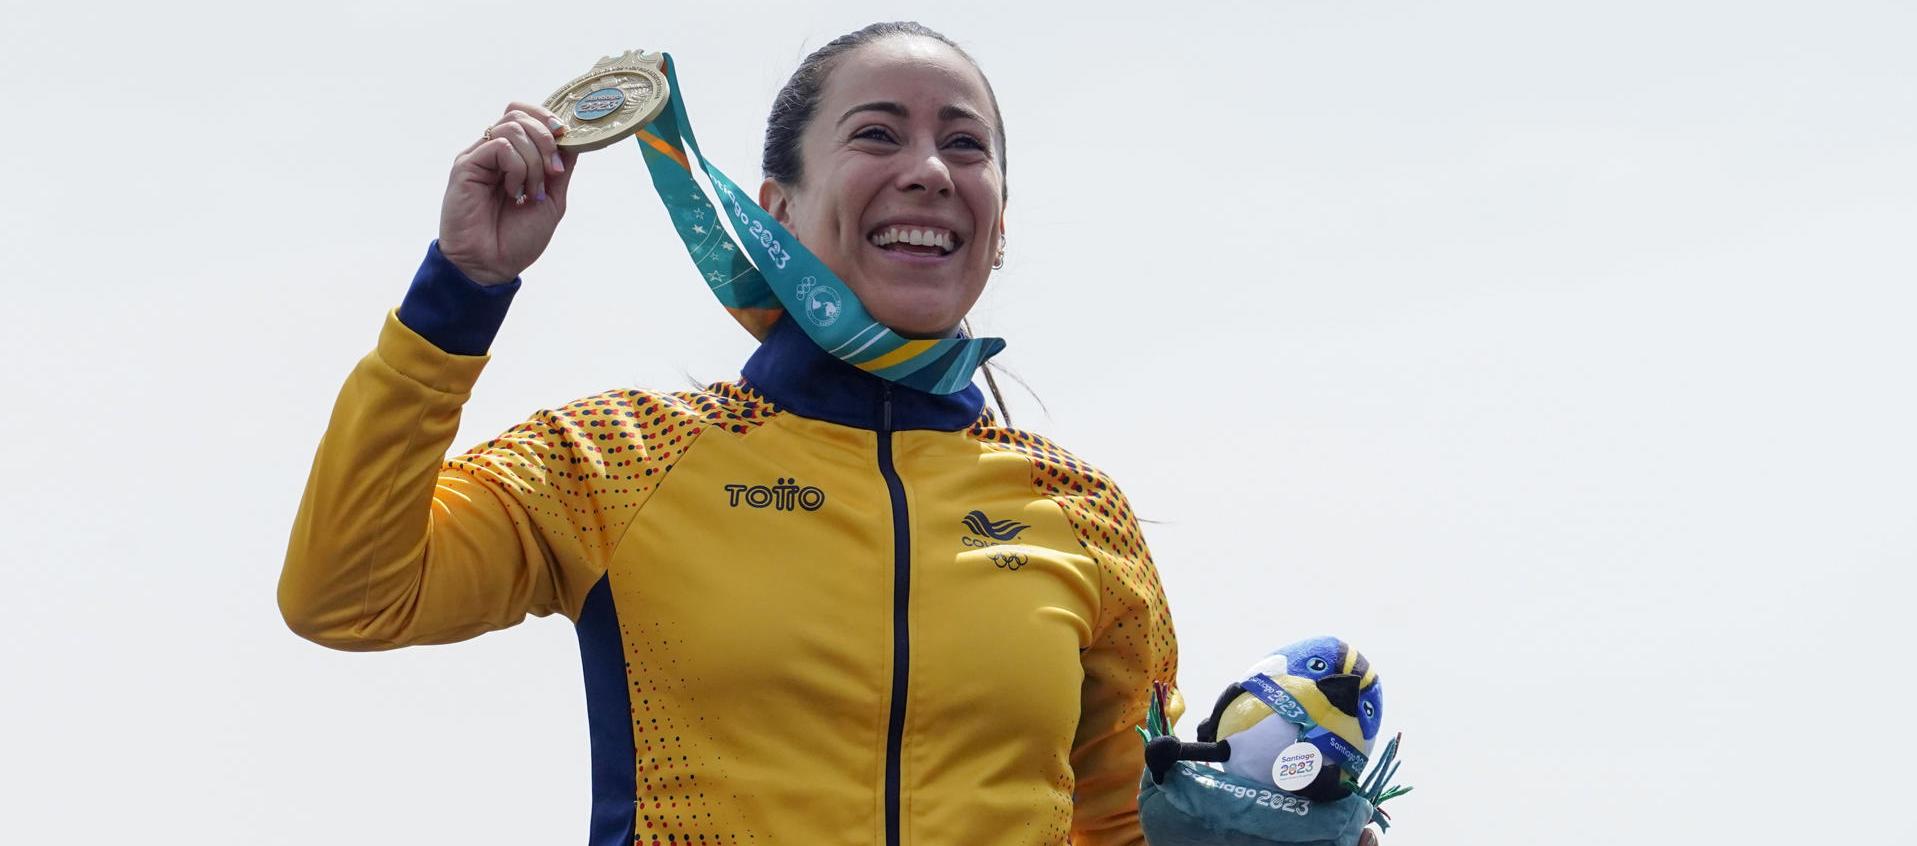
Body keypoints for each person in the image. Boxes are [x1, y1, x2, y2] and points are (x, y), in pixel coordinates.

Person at [280, 22, 1180, 846]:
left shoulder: (1081, 513)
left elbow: (1127, 825)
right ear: (775, 209)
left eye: (964, 144)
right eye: (876, 134)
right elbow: (348, 594)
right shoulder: (613, 460)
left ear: (999, 225)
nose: (929, 171)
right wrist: (460, 288)